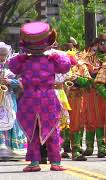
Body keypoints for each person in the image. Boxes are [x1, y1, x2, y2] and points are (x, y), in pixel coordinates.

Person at [9, 22, 71, 171]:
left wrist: (23, 55)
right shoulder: (52, 60)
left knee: (32, 131)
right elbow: (65, 66)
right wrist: (56, 54)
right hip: (47, 98)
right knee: (52, 130)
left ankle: (34, 162)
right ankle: (55, 162)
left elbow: (13, 66)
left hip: (29, 99)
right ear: (48, 43)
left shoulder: (23, 61)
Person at [80, 34, 106, 158]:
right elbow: (84, 72)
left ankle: (102, 147)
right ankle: (90, 147)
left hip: (105, 92)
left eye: (105, 43)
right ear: (96, 44)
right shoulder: (88, 58)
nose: (103, 45)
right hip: (91, 91)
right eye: (101, 43)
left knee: (103, 119)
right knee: (90, 119)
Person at [0, 42, 27, 160]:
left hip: (9, 98)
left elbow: (22, 83)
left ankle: (12, 149)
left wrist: (11, 82)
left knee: (12, 121)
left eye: (4, 55)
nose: (2, 57)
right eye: (0, 55)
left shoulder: (12, 68)